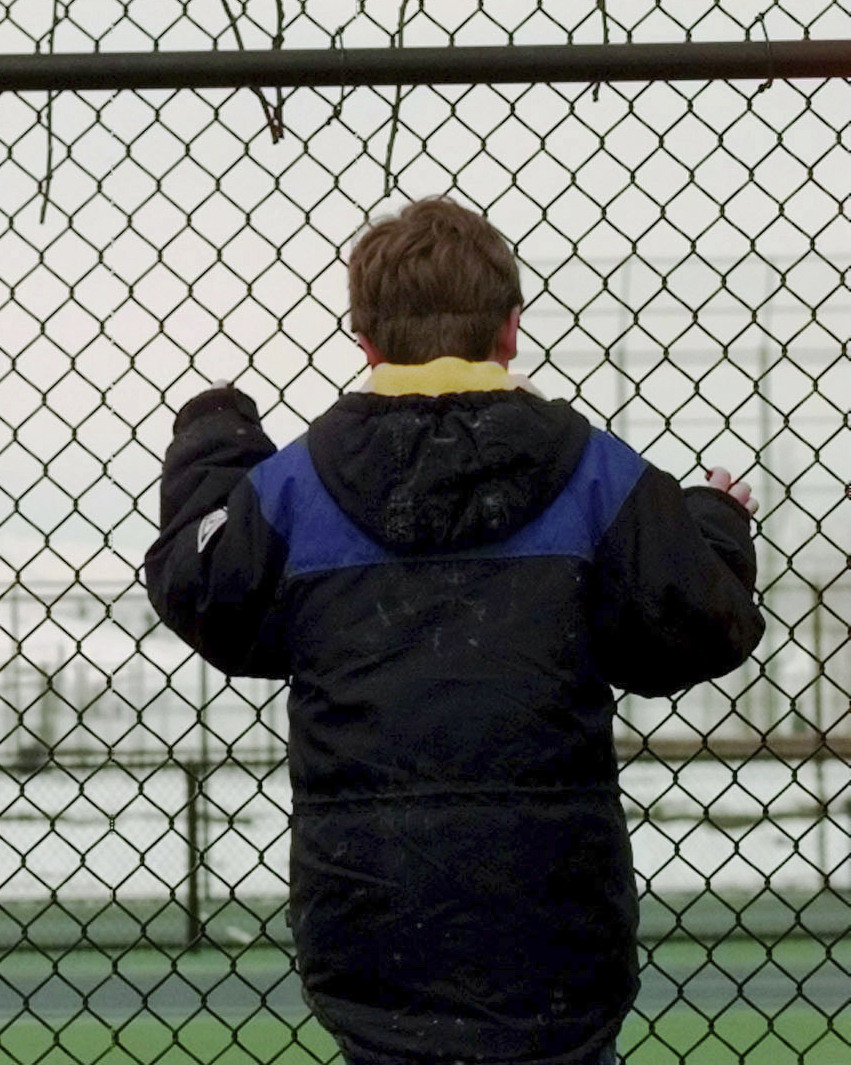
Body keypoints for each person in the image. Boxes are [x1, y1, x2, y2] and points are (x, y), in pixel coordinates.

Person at [144, 196, 764, 1065]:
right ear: (510, 330)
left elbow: (203, 587)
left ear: (364, 339)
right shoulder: (594, 473)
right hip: (554, 931)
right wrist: (713, 523)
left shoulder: (298, 490)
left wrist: (215, 436)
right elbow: (701, 623)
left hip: (372, 924)